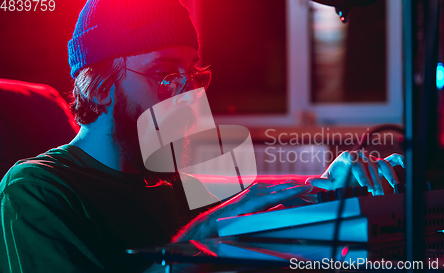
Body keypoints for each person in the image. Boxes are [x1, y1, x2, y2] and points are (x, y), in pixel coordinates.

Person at [0, 0, 404, 272]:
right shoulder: (35, 192)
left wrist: (327, 183)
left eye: (191, 74)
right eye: (164, 74)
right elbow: (213, 225)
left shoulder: (170, 184)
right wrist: (199, 238)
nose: (186, 94)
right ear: (101, 86)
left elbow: (249, 204)